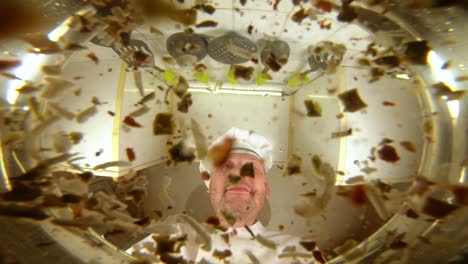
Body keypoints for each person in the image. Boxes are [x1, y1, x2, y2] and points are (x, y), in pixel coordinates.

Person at [127, 128, 315, 263]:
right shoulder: (169, 240)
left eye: (251, 168)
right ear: (210, 185)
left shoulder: (299, 252)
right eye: (227, 166)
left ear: (266, 189)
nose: (238, 176)